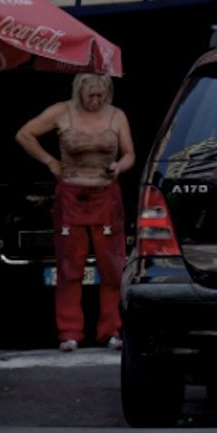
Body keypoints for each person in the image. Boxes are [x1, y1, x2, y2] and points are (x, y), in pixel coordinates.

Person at [15, 73, 134, 352]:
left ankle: (111, 331)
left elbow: (130, 153)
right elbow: (24, 134)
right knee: (70, 266)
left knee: (112, 266)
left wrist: (119, 166)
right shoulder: (61, 111)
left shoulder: (117, 116)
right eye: (91, 95)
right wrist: (50, 162)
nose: (96, 101)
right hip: (71, 195)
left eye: (100, 96)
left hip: (106, 195)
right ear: (79, 92)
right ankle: (69, 333)